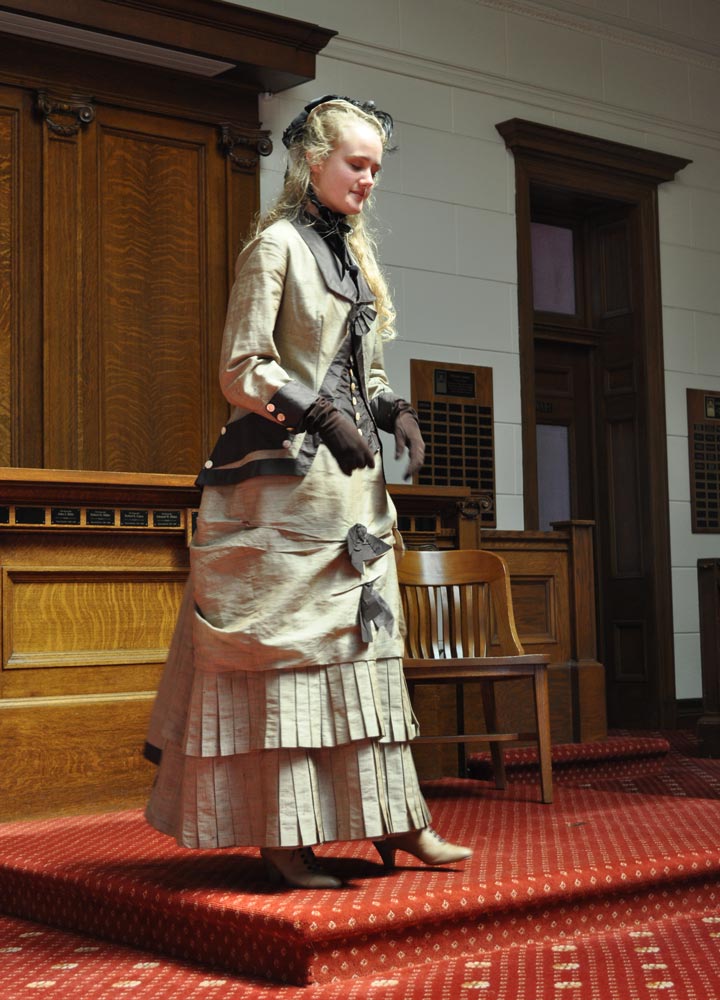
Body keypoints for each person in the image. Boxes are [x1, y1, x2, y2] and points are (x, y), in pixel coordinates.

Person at [144, 95, 472, 889]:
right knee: (292, 662)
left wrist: (396, 412)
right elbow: (241, 367)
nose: (368, 181)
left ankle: (399, 820)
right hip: (285, 494)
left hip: (355, 495)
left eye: (376, 170)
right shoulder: (277, 247)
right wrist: (319, 413)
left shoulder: (355, 257)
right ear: (312, 162)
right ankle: (284, 840)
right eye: (356, 165)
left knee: (367, 654)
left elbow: (369, 369)